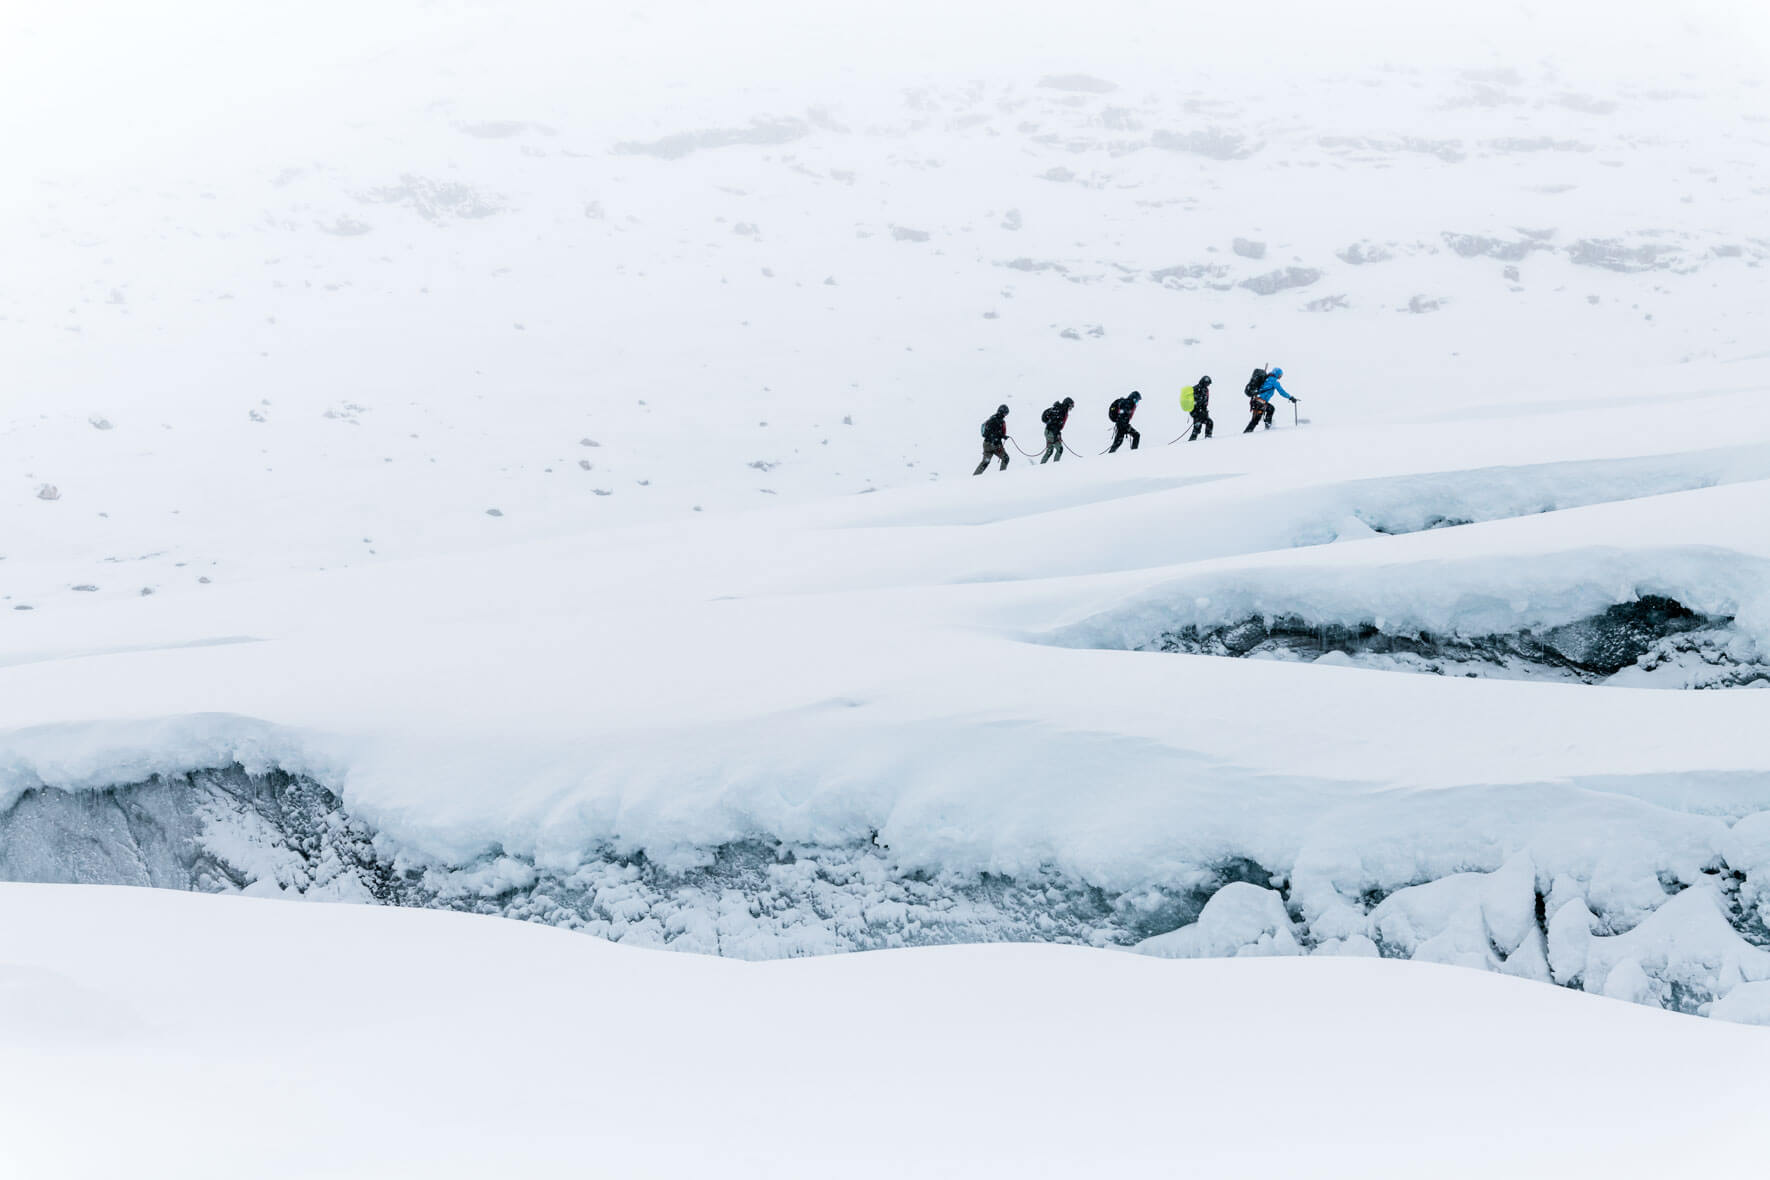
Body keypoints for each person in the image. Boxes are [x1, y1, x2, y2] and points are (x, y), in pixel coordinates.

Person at [1243, 366, 1299, 433]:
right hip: (1260, 401)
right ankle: (1267, 428)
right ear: (1278, 374)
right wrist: (1290, 397)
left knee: (1256, 419)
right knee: (1270, 409)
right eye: (1280, 375)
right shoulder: (1274, 381)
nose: (1280, 377)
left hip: (1256, 400)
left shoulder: (1267, 378)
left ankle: (1247, 432)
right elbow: (1281, 392)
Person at [975, 404, 1011, 474]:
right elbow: (994, 433)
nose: (1005, 415)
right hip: (995, 445)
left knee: (985, 462)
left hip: (987, 444)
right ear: (1003, 412)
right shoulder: (998, 420)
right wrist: (1002, 436)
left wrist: (1002, 436)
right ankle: (1002, 475)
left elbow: (991, 432)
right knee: (1006, 458)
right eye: (1006, 413)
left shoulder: (992, 418)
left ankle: (975, 476)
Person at [1039, 397, 1075, 463]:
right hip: (1051, 433)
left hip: (1049, 432)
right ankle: (1056, 467)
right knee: (1059, 449)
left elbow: (1055, 424)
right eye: (1070, 406)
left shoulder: (1060, 410)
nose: (1071, 408)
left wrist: (1057, 432)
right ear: (1067, 405)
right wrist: (1056, 434)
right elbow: (1054, 424)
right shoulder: (1060, 411)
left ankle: (1041, 466)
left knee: (1049, 451)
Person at [1186, 376, 1214, 441]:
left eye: (1209, 384)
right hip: (1196, 412)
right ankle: (1191, 442)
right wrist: (1197, 410)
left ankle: (1208, 438)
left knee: (1209, 423)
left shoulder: (1205, 389)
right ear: (1204, 382)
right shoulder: (1196, 388)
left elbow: (1204, 402)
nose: (1208, 385)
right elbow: (1194, 401)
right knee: (1197, 427)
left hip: (1202, 412)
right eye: (1207, 383)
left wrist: (1205, 411)